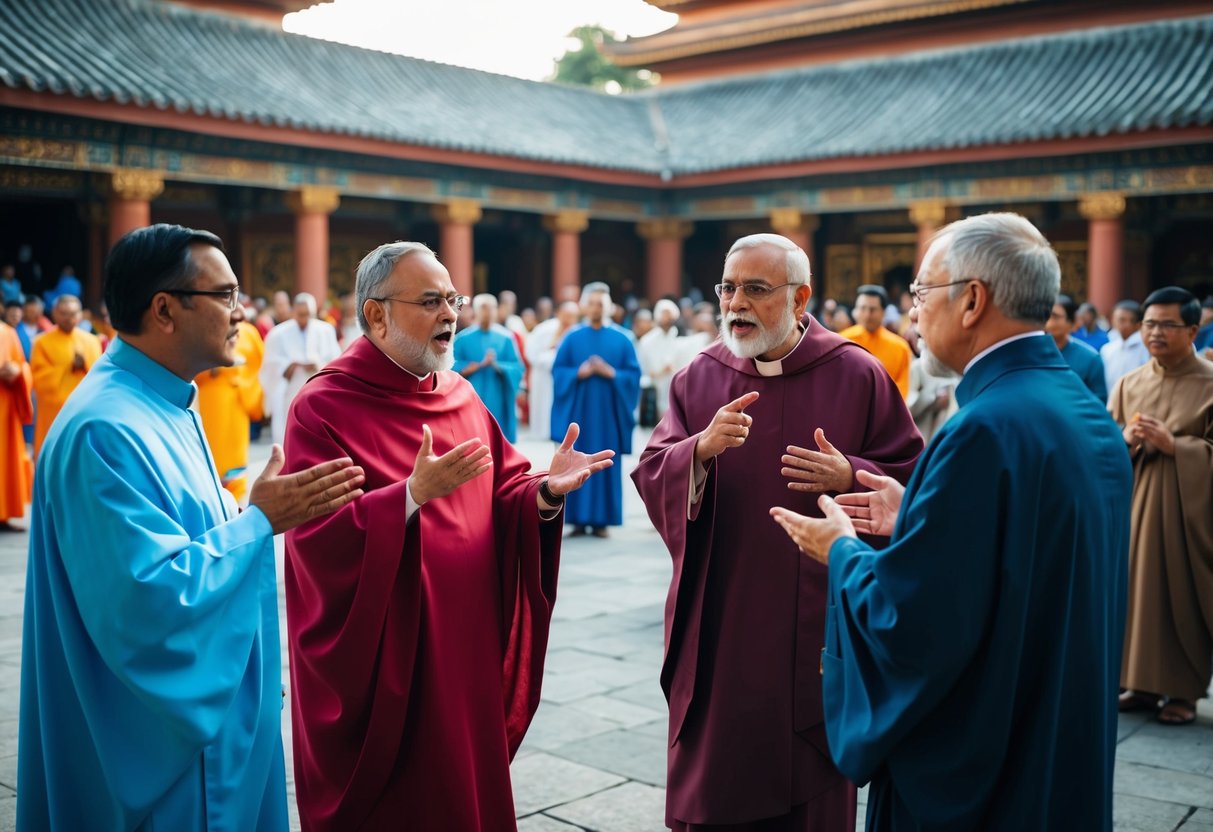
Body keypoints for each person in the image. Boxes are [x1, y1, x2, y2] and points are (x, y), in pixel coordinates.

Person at [770, 213, 1132, 830]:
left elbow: (915, 619)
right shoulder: (1081, 411)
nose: (912, 314)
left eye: (920, 293)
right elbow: (1023, 551)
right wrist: (915, 511)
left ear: (971, 300)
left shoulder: (983, 429)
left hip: (981, 756)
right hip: (1057, 725)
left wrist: (843, 552)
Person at [18, 223, 366, 831]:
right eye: (225, 295)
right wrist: (259, 522)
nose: (242, 313)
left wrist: (239, 514)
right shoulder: (106, 428)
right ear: (164, 310)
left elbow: (180, 536)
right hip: (157, 745)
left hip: (214, 724)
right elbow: (146, 596)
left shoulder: (167, 399)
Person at [282, 241, 613, 830]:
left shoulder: (460, 395)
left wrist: (544, 491)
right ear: (376, 314)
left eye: (452, 299)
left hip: (463, 645)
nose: (450, 314)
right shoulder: (324, 407)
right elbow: (317, 538)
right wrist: (408, 498)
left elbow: (506, 487)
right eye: (431, 301)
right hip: (394, 656)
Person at [632, 233, 923, 832]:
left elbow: (912, 481)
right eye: (728, 288)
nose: (736, 303)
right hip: (723, 615)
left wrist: (852, 473)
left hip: (817, 618)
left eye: (756, 290)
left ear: (800, 298)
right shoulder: (698, 378)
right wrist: (699, 452)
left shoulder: (856, 373)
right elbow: (654, 467)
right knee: (718, 775)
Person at [1111, 286, 1213, 727]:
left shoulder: (1210, 384)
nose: (1154, 332)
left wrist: (1177, 446)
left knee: (1181, 594)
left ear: (1193, 329)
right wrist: (1125, 441)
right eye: (1149, 323)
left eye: (1166, 325)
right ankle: (1141, 684)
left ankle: (1184, 693)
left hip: (1190, 512)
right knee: (1135, 592)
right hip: (1136, 503)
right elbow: (1105, 443)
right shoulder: (1130, 383)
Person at [552, 282, 640, 538]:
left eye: (601, 304)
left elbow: (633, 376)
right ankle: (577, 520)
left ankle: (602, 521)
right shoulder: (572, 338)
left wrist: (610, 372)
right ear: (584, 306)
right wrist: (578, 372)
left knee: (605, 460)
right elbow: (558, 372)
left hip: (608, 416)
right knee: (575, 460)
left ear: (609, 307)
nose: (596, 308)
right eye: (591, 303)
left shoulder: (623, 339)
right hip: (578, 415)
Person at [195, 318, 265, 502]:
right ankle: (213, 493)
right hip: (212, 399)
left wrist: (243, 381)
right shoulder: (205, 329)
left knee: (237, 451)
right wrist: (210, 370)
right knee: (213, 450)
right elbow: (187, 364)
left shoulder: (249, 332)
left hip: (239, 399)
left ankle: (236, 494)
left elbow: (260, 365)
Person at [260, 292, 341, 445]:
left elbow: (336, 360)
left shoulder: (326, 330)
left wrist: (320, 366)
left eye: (308, 315)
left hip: (318, 389)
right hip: (289, 391)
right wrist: (290, 365)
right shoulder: (278, 333)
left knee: (317, 435)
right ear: (293, 311)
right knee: (289, 434)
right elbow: (269, 364)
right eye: (301, 314)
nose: (304, 319)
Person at [29, 294, 102, 458]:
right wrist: (67, 366)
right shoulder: (41, 342)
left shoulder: (91, 341)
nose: (69, 318)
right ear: (54, 313)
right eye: (64, 313)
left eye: (73, 313)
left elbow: (100, 377)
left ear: (81, 315)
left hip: (84, 411)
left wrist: (84, 365)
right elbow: (39, 379)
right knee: (52, 458)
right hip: (53, 413)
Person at [453, 293, 524, 442]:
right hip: (472, 393)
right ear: (475, 310)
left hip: (497, 394)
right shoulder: (463, 338)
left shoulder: (506, 337)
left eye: (492, 307)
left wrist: (498, 366)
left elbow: (517, 367)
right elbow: (449, 366)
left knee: (496, 437)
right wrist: (468, 367)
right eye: (484, 308)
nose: (488, 312)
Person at [839, 284, 913, 398]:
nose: (867, 315)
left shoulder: (899, 347)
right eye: (863, 308)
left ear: (883, 312)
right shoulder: (841, 342)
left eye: (873, 309)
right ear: (856, 311)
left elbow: (902, 391)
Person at [526, 300, 580, 441]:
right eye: (567, 315)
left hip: (567, 379)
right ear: (559, 313)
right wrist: (553, 358)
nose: (569, 319)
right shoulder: (544, 330)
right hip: (544, 377)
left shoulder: (577, 331)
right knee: (544, 408)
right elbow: (531, 353)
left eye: (573, 316)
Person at [0, 317, 32, 530]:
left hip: (4, 409)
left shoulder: (8, 333)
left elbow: (24, 366)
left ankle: (3, 514)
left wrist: (18, 373)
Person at [1046, 293, 1107, 402]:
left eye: (1054, 316)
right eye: (1045, 315)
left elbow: (1099, 402)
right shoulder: (1030, 353)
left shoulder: (1091, 359)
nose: (1048, 322)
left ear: (1072, 322)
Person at [639, 298, 683, 422]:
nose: (667, 318)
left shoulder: (679, 337)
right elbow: (644, 370)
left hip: (676, 389)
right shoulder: (647, 341)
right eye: (664, 314)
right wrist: (660, 371)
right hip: (655, 391)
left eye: (669, 314)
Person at [1100, 299, 1150, 393]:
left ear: (1137, 324)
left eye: (1122, 320)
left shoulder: (1146, 348)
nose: (1116, 323)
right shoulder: (1107, 348)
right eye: (1116, 319)